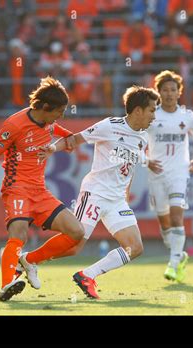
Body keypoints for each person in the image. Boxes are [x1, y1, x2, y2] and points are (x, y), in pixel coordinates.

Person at [0, 76, 85, 301]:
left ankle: (30, 260)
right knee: (19, 233)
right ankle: (6, 285)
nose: (61, 115)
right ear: (45, 107)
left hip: (40, 191)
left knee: (77, 232)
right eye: (59, 111)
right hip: (17, 188)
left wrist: (61, 142)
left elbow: (62, 132)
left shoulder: (49, 122)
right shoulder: (15, 124)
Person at [37, 86, 160, 299]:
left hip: (117, 200)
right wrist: (52, 149)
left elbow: (128, 170)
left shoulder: (143, 138)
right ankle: (28, 260)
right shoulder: (109, 126)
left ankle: (88, 275)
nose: (154, 116)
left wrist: (126, 196)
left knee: (135, 247)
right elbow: (74, 139)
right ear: (138, 110)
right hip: (95, 193)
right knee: (74, 246)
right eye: (151, 110)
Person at [145, 70, 193, 282]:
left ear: (179, 92)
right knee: (164, 223)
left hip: (180, 173)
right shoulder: (151, 116)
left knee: (177, 216)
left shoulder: (187, 116)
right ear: (158, 92)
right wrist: (146, 160)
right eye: (165, 90)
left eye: (173, 90)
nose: (169, 94)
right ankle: (179, 255)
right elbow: (140, 139)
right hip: (156, 173)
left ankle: (172, 265)